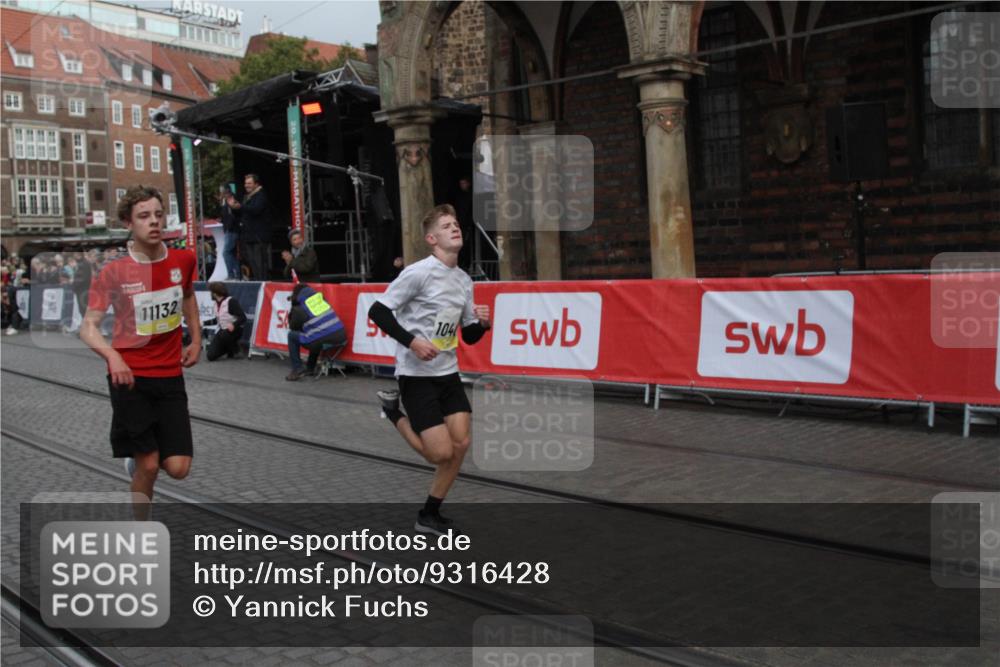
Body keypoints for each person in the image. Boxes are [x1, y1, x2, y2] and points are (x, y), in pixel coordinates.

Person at [368, 204, 492, 535]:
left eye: (457, 224)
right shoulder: (419, 272)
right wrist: (412, 342)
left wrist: (483, 323)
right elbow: (378, 311)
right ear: (431, 238)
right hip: (416, 375)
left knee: (461, 444)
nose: (456, 229)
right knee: (440, 454)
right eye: (447, 226)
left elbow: (468, 334)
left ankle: (428, 514)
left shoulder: (464, 280)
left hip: (448, 373)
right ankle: (393, 412)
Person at [79, 185, 200, 516]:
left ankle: (137, 462)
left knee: (177, 468)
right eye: (144, 216)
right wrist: (112, 355)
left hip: (170, 375)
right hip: (130, 376)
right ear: (128, 223)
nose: (154, 222)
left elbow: (188, 296)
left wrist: (196, 338)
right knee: (149, 465)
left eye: (158, 214)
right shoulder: (114, 272)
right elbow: (88, 327)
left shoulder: (184, 259)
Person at [285, 283, 347, 381]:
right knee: (314, 334)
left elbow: (293, 326)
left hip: (322, 338)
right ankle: (310, 368)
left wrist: (293, 310)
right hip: (341, 336)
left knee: (292, 336)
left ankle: (297, 368)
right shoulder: (321, 300)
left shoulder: (300, 308)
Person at [227, 174, 270, 280]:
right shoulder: (246, 197)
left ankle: (263, 284)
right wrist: (234, 208)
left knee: (260, 264)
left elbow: (256, 210)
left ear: (256, 184)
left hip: (258, 236)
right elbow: (242, 214)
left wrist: (241, 206)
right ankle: (257, 282)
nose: (246, 185)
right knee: (252, 263)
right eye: (246, 183)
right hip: (248, 236)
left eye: (249, 183)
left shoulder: (261, 195)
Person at [205, 281, 247, 361]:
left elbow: (243, 317)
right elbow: (216, 320)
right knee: (210, 356)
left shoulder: (231, 301)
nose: (210, 294)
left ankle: (236, 350)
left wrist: (234, 325)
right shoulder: (216, 304)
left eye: (211, 292)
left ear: (215, 293)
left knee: (224, 334)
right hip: (223, 331)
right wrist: (203, 323)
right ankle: (228, 349)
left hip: (235, 330)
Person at [218, 185, 241, 280]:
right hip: (229, 230)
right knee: (230, 252)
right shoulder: (224, 202)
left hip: (232, 230)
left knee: (226, 252)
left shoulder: (231, 200)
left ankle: (232, 274)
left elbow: (234, 215)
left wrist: (229, 226)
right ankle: (237, 275)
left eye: (222, 191)